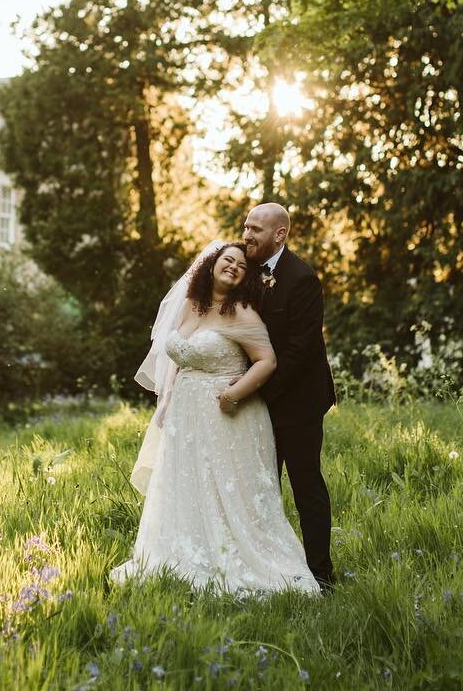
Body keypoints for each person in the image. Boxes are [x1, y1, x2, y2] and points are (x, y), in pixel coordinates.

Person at [110, 241, 319, 595]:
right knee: (189, 485)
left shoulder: (241, 312)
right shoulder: (191, 305)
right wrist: (166, 401)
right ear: (211, 264)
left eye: (241, 265)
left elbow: (267, 361)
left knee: (226, 489)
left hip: (227, 417)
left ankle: (243, 560)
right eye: (228, 259)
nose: (234, 267)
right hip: (186, 417)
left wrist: (234, 394)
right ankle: (187, 552)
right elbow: (177, 357)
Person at [240, 203, 336, 590]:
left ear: (279, 234)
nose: (247, 235)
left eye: (256, 229)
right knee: (262, 486)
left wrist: (260, 393)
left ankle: (322, 574)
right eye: (246, 226)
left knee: (305, 483)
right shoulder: (243, 267)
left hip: (297, 402)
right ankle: (270, 567)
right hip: (256, 399)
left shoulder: (302, 279)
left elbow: (301, 350)